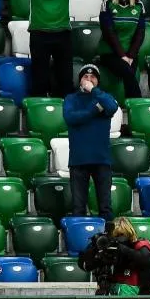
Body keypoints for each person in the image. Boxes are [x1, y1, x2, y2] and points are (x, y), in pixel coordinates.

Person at [63, 64, 120, 221]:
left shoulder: (103, 96)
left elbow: (112, 107)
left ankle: (108, 242)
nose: (89, 79)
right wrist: (94, 110)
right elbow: (71, 118)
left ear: (98, 81)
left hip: (101, 159)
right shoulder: (71, 99)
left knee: (105, 207)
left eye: (92, 77)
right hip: (79, 159)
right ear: (80, 80)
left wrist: (94, 91)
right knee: (78, 207)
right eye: (85, 77)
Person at [96, 0, 146, 100]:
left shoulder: (139, 5)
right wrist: (122, 56)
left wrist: (130, 55)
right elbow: (109, 33)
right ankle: (137, 104)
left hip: (130, 53)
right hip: (110, 53)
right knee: (128, 73)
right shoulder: (107, 4)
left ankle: (131, 106)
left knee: (129, 72)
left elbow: (140, 34)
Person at [79, 217, 150, 296]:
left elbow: (146, 261)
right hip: (111, 290)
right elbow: (84, 265)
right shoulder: (105, 247)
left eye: (123, 235)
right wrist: (95, 247)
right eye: (116, 236)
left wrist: (122, 249)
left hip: (136, 295)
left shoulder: (141, 247)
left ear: (131, 235)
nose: (120, 239)